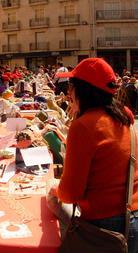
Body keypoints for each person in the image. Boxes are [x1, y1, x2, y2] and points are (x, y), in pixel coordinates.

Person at [50, 58, 138, 252]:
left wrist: (55, 190)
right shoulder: (124, 116)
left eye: (71, 86)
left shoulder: (84, 126)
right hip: (133, 213)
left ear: (82, 90)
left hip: (107, 224)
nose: (68, 92)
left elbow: (71, 193)